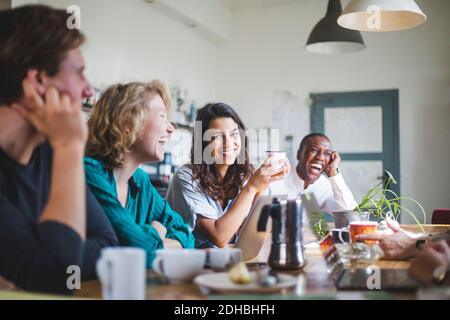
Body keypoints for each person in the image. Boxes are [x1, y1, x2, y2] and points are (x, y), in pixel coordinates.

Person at [0, 5, 118, 294]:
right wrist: (69, 145)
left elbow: (109, 247)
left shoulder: (50, 156)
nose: (88, 91)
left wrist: (44, 255)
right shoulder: (63, 150)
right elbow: (60, 276)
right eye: (79, 73)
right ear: (39, 81)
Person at [85, 81, 194, 268]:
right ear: (128, 122)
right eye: (162, 116)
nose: (171, 128)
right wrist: (156, 230)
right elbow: (137, 247)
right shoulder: (89, 172)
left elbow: (186, 235)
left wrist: (151, 242)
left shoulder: (139, 180)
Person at [166, 103, 289, 248]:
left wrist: (263, 186)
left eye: (234, 134)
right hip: (190, 265)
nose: (228, 143)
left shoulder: (245, 176)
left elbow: (251, 236)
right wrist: (252, 187)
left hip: (227, 263)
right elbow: (219, 237)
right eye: (217, 136)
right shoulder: (186, 177)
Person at [269, 133, 357, 212]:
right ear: (299, 155)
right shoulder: (275, 181)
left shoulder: (324, 186)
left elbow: (351, 216)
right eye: (314, 150)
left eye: (327, 154)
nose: (320, 157)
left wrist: (334, 172)